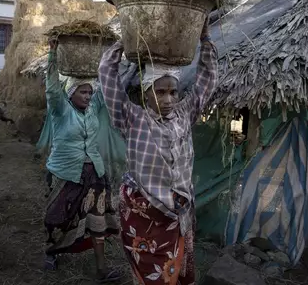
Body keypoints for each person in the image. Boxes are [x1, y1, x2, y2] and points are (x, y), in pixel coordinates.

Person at [98, 20, 218, 285]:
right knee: (152, 276)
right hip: (145, 214)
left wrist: (206, 40)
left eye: (173, 91)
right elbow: (107, 76)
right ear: (146, 93)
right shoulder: (132, 118)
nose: (168, 99)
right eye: (160, 92)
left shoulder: (185, 114)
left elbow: (205, 83)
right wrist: (126, 39)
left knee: (173, 271)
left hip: (178, 210)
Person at [42, 38, 121, 283]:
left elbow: (106, 83)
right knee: (60, 218)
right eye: (83, 92)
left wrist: (115, 53)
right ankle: (52, 251)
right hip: (66, 174)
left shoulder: (93, 108)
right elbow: (53, 89)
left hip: (94, 174)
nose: (88, 96)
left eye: (89, 92)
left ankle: (101, 269)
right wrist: (53, 55)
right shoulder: (60, 110)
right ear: (71, 93)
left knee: (97, 220)